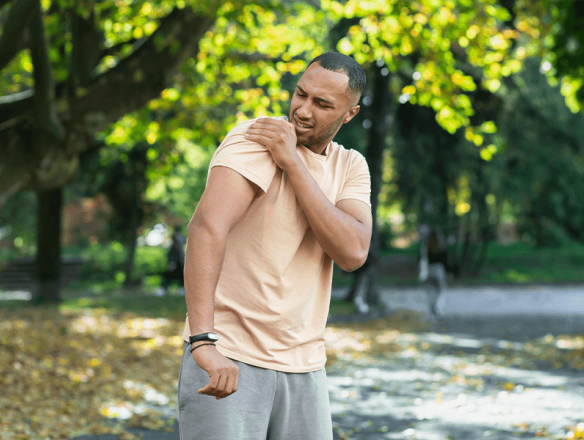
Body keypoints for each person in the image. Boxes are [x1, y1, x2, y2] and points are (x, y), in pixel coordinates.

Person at [177, 52, 372, 440]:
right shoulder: (256, 140)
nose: (302, 110)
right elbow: (206, 228)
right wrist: (202, 341)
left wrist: (295, 165)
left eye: (322, 104)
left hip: (305, 366)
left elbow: (352, 252)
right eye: (300, 94)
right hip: (229, 355)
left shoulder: (350, 166)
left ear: (348, 114)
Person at [155, 226, 186, 296]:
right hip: (179, 261)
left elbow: (175, 251)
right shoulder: (182, 237)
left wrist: (172, 261)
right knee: (179, 276)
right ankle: (181, 289)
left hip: (175, 261)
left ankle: (163, 290)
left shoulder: (175, 238)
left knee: (169, 276)